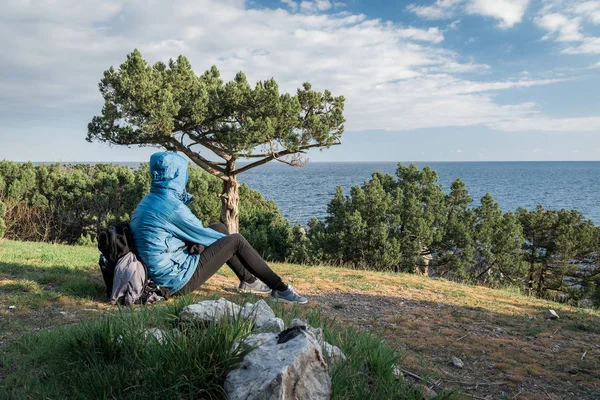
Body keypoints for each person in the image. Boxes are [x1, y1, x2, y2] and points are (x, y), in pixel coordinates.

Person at [130, 152, 307, 303]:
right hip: (173, 280)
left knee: (219, 228)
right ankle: (280, 289)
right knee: (235, 241)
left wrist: (198, 243)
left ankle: (249, 281)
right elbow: (202, 234)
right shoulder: (172, 207)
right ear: (177, 175)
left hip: (157, 272)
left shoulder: (149, 199)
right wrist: (203, 244)